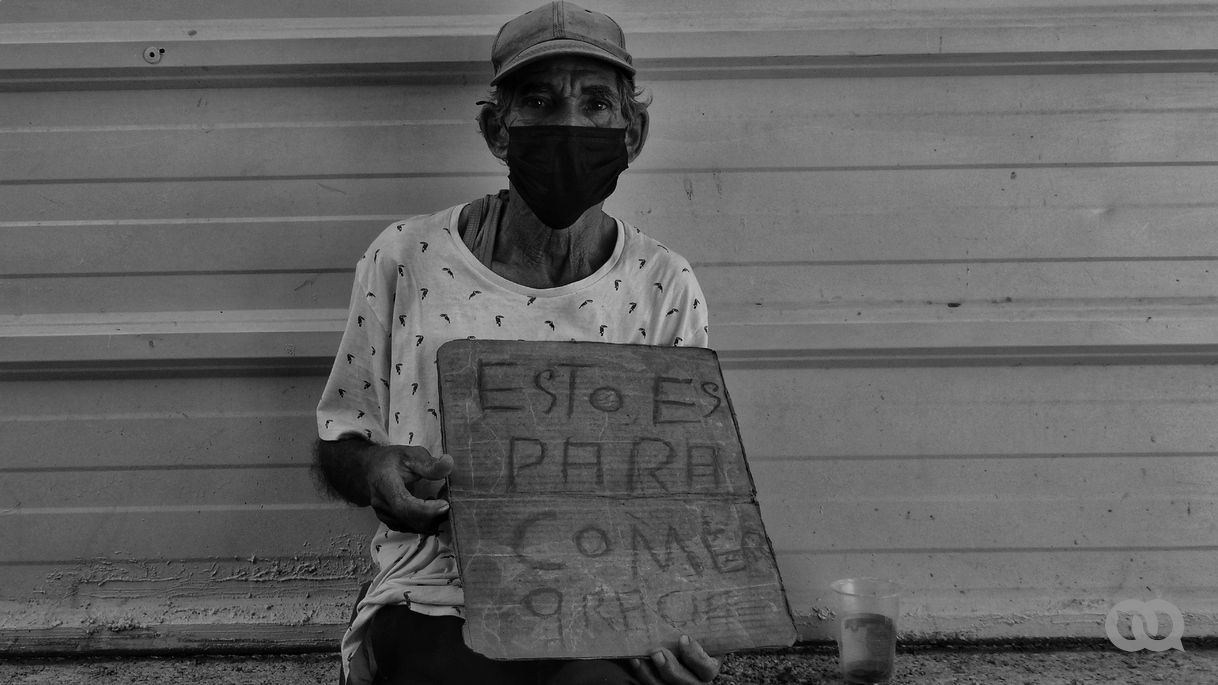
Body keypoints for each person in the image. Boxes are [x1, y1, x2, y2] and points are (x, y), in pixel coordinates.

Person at [314, 3, 718, 683]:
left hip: (606, 598)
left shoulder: (663, 285)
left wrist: (658, 612)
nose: (568, 126)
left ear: (633, 132)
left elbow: (686, 494)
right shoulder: (405, 258)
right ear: (496, 130)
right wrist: (375, 466)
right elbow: (338, 442)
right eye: (539, 101)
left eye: (595, 103)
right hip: (438, 595)